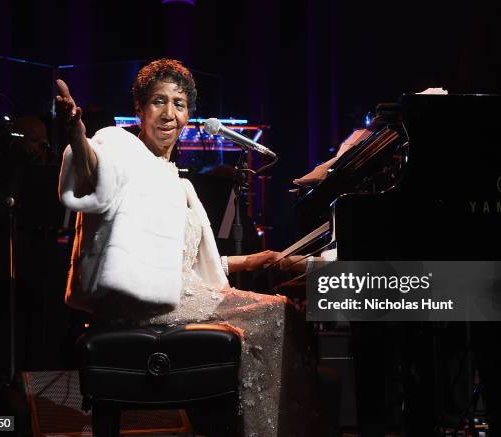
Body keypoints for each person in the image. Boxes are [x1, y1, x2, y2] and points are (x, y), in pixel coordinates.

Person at [57, 59, 316, 436]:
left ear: (189, 115)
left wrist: (257, 259)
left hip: (181, 293)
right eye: (158, 102)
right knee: (276, 314)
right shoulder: (121, 148)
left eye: (178, 104)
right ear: (140, 110)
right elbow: (93, 168)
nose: (168, 114)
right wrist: (76, 132)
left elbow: (188, 265)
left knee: (281, 312)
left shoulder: (178, 184)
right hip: (139, 304)